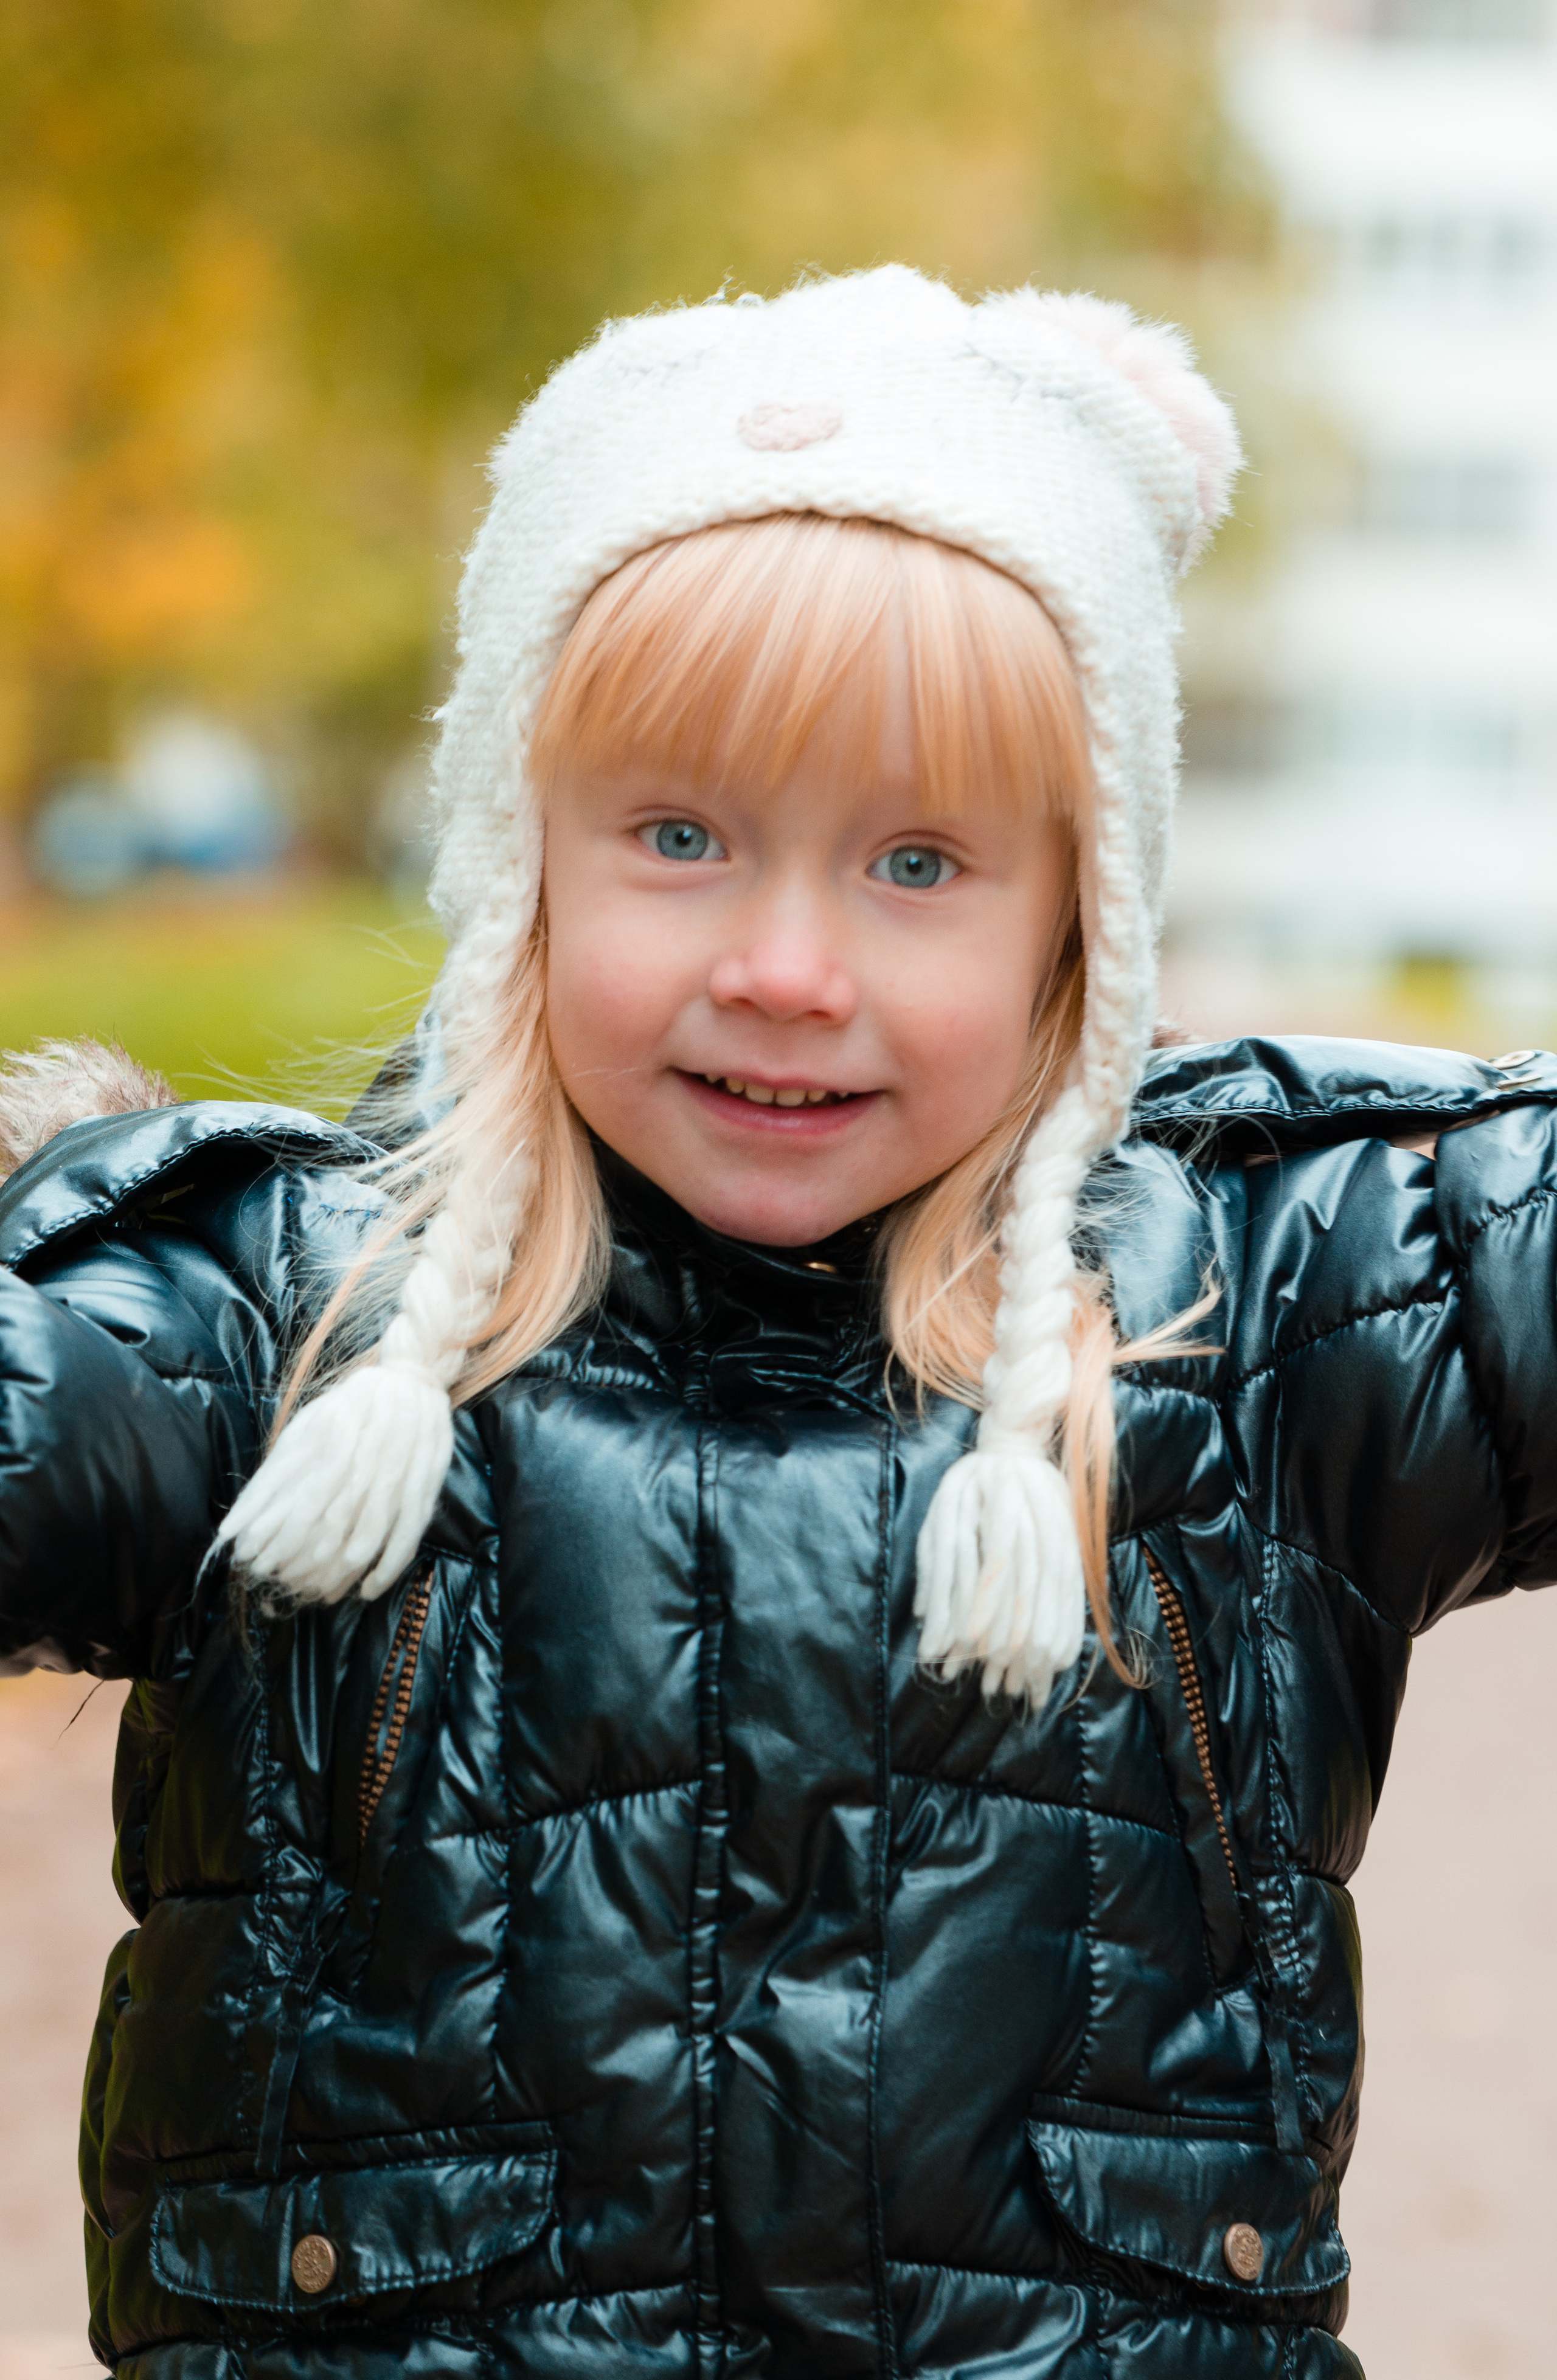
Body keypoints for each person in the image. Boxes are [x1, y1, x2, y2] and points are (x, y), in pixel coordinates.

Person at [1, 265, 1552, 2380]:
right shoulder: (276, 1318)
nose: (790, 963)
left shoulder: (1268, 1306)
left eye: (918, 860)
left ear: (1074, 924)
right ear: (518, 860)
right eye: (679, 835)